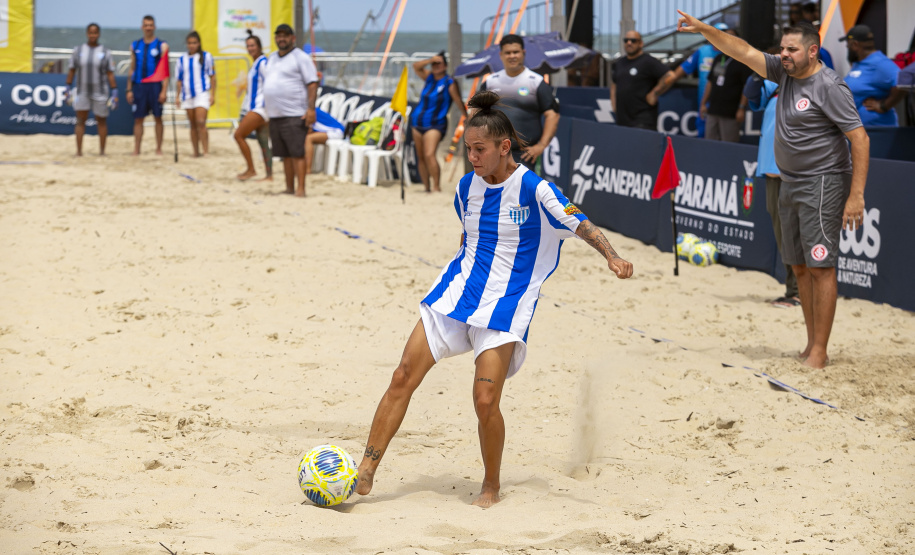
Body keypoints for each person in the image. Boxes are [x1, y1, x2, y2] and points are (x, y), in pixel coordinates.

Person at [355, 90, 634, 508]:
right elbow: (469, 236)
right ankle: (366, 470)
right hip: (456, 294)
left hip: (506, 306)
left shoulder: (536, 189)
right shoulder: (466, 187)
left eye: (479, 149)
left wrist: (612, 256)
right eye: (468, 149)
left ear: (505, 147)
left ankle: (490, 484)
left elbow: (582, 224)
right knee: (401, 377)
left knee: (485, 401)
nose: (472, 157)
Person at [676, 13, 869, 369]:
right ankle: (811, 343)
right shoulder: (783, 73)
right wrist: (705, 30)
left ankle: (820, 352)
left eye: (792, 49)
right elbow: (742, 50)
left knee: (821, 267)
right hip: (788, 180)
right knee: (798, 267)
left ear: (813, 52)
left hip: (823, 182)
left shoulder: (829, 85)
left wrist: (856, 196)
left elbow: (859, 138)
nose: (784, 54)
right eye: (782, 48)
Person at [743, 70, 800, 308]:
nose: (784, 55)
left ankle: (798, 292)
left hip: (794, 173)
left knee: (794, 234)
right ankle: (793, 289)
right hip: (770, 169)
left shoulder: (808, 84)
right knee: (782, 234)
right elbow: (751, 94)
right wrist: (758, 72)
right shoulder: (775, 85)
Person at [478, 34, 559, 171]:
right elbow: (476, 114)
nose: (512, 56)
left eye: (516, 52)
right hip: (494, 152)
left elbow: (553, 115)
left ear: (523, 53)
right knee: (494, 192)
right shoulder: (491, 82)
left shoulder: (536, 81)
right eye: (508, 53)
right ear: (501, 55)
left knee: (522, 192)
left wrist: (541, 145)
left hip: (525, 155)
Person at [261, 23, 319, 197]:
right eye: (278, 35)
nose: (282, 38)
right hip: (275, 114)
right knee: (284, 154)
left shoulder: (300, 57)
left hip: (294, 113)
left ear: (293, 38)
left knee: (297, 153)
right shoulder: (272, 58)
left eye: (285, 35)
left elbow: (312, 83)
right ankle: (289, 187)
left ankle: (301, 189)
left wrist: (311, 109)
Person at [660, 22, 733, 137]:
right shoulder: (702, 51)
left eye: (723, 33)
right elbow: (681, 71)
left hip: (725, 106)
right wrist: (661, 86)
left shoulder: (731, 54)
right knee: (705, 138)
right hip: (704, 104)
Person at [410, 51, 467, 192]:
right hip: (417, 121)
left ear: (445, 66)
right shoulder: (429, 78)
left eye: (438, 63)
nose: (435, 65)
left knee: (429, 154)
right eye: (434, 64)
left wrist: (466, 116)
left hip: (435, 123)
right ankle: (426, 187)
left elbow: (459, 101)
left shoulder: (449, 82)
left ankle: (436, 187)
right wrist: (431, 60)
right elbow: (416, 66)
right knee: (421, 157)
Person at [65, 23, 117, 156]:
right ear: (87, 33)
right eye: (90, 32)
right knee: (80, 120)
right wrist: (67, 87)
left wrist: (114, 90)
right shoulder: (79, 50)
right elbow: (72, 70)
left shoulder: (105, 52)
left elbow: (110, 73)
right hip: (82, 91)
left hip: (100, 92)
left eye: (95, 32)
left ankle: (102, 151)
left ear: (98, 34)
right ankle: (79, 151)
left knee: (102, 121)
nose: (93, 35)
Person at [610, 30, 675, 130]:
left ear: (641, 43)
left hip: (643, 120)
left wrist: (655, 93)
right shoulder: (619, 63)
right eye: (626, 40)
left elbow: (670, 76)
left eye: (633, 40)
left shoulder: (648, 61)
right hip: (623, 120)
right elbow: (614, 83)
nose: (629, 43)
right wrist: (614, 104)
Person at [841, 25, 901, 126]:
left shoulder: (880, 63)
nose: (848, 49)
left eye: (848, 46)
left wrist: (884, 105)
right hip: (860, 131)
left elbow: (902, 82)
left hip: (879, 131)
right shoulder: (859, 63)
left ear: (855, 45)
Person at [127, 15, 168, 156]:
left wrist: (164, 90)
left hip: (155, 85)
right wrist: (129, 89)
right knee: (138, 118)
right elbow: (132, 68)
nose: (148, 27)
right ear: (142, 27)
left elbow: (165, 71)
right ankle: (137, 149)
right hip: (139, 85)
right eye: (146, 25)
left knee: (158, 117)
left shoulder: (161, 45)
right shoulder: (135, 45)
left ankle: (159, 148)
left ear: (154, 27)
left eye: (151, 25)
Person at [234, 30, 272, 181]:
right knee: (263, 142)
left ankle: (251, 169)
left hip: (260, 108)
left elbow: (270, 83)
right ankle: (269, 175)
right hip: (258, 108)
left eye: (252, 45)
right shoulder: (256, 63)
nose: (250, 48)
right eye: (248, 46)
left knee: (238, 135)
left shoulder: (262, 63)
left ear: (259, 46)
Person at [700, 40, 753, 142]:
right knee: (709, 141)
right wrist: (703, 103)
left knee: (729, 143)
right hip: (713, 109)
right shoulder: (718, 58)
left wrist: (741, 108)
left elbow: (746, 85)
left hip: (730, 111)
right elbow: (710, 82)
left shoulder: (742, 61)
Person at [175, 31, 216, 157]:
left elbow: (213, 77)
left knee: (201, 121)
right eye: (189, 43)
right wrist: (177, 96)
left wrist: (213, 94)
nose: (192, 45)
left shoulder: (206, 56)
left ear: (198, 43)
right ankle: (195, 151)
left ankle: (205, 150)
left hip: (201, 93)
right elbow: (179, 80)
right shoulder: (182, 59)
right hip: (187, 94)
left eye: (194, 43)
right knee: (192, 124)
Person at [305, 107, 345, 174]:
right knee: (305, 137)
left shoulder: (309, 111)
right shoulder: (307, 109)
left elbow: (309, 129)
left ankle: (307, 170)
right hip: (329, 130)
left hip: (336, 131)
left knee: (308, 139)